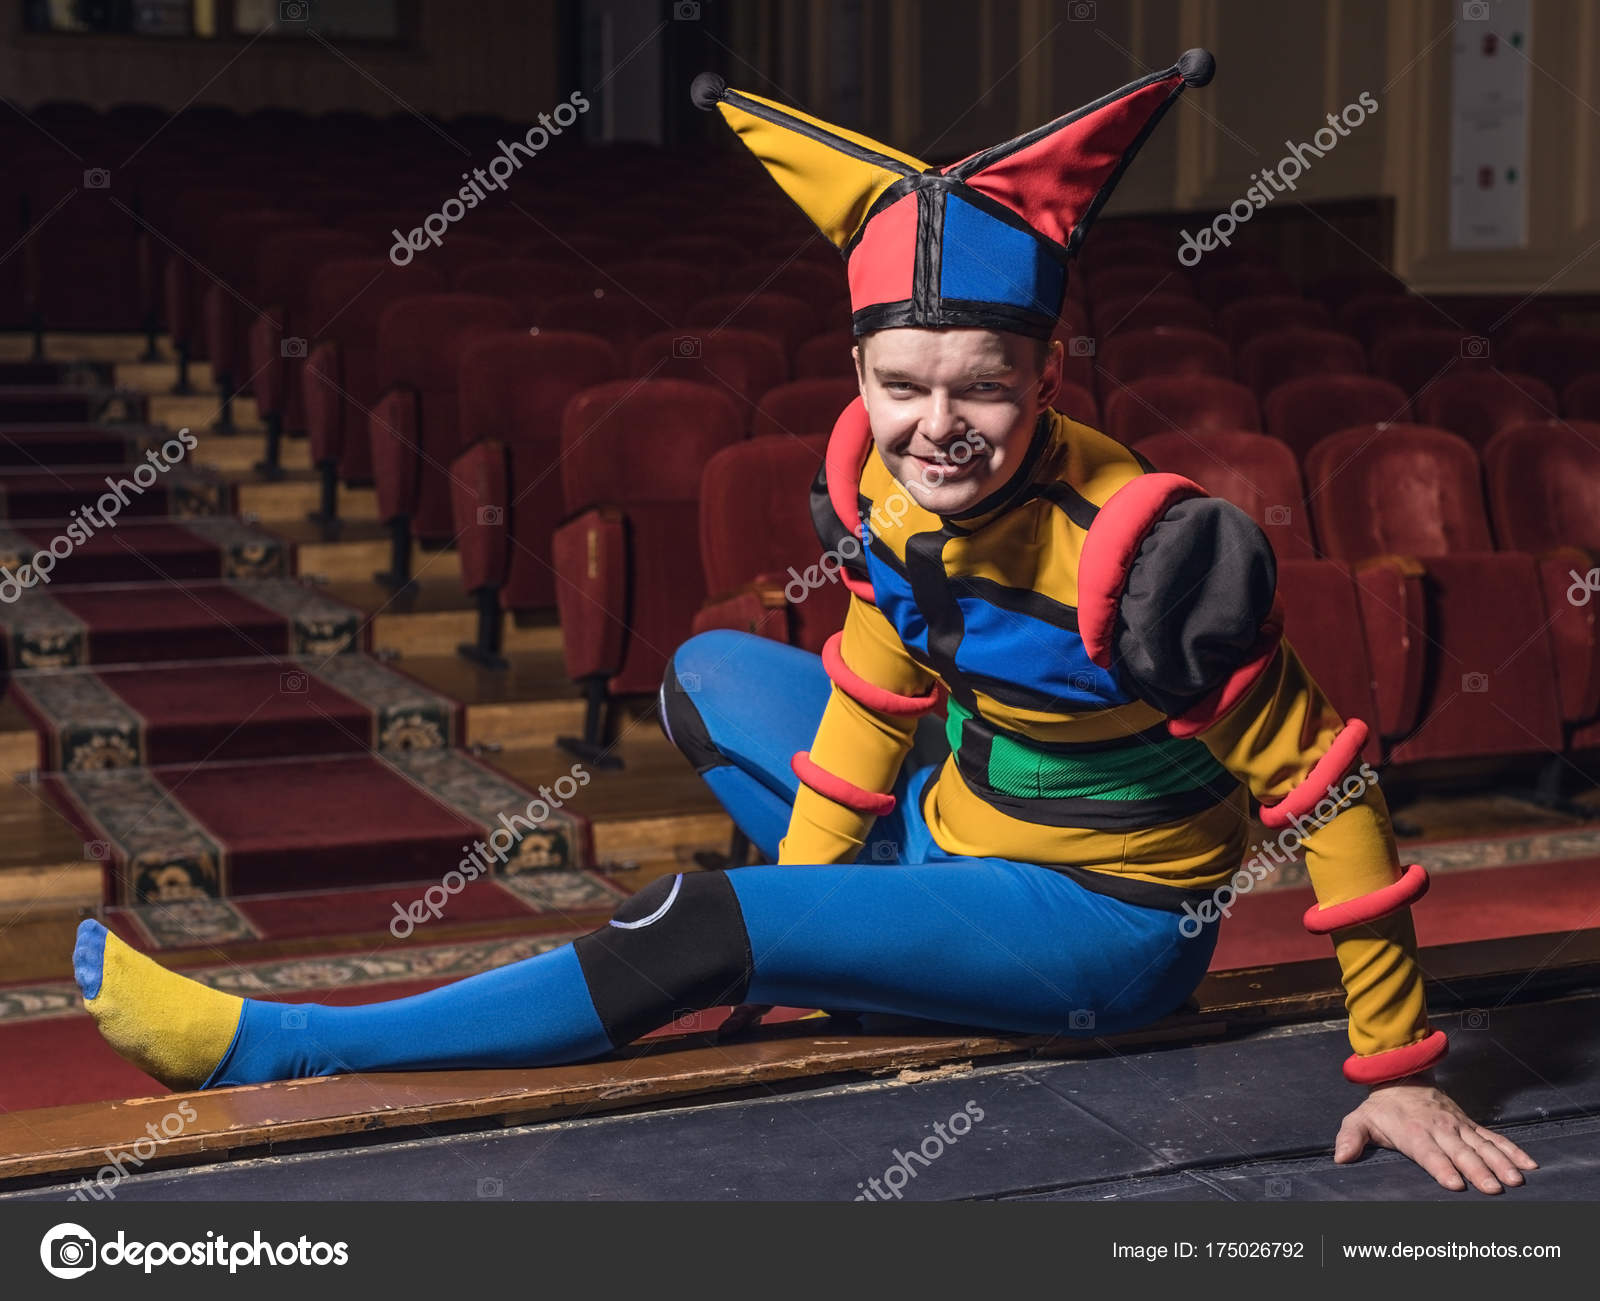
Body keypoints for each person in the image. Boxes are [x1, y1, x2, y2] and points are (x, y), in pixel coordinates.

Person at [72, 50, 1534, 1194]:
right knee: (711, 673)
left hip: (1102, 928)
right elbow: (880, 692)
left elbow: (1326, 782)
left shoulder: (1146, 554)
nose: (938, 426)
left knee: (700, 919)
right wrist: (819, 922)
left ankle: (278, 1041)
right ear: (859, 368)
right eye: (904, 385)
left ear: (1049, 373)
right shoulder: (883, 489)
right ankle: (834, 940)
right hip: (953, 828)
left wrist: (1391, 1066)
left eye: (984, 386)